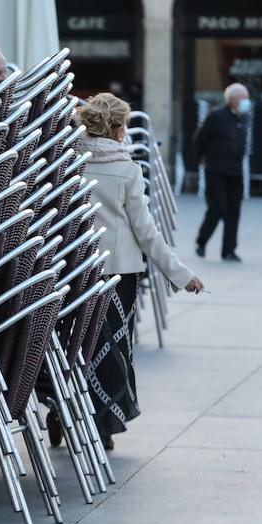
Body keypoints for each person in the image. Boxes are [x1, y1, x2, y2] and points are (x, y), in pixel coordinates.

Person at [70, 93, 204, 450]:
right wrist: (180, 274)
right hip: (118, 274)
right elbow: (146, 231)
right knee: (110, 350)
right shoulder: (127, 169)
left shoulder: (71, 161)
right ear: (116, 128)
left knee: (75, 345)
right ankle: (104, 423)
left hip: (75, 273)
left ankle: (63, 414)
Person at [193, 83, 250, 262]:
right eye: (243, 98)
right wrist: (201, 159)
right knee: (217, 207)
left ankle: (229, 250)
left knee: (234, 211)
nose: (246, 102)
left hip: (235, 170)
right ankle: (202, 241)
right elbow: (199, 139)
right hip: (216, 169)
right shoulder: (217, 116)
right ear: (233, 99)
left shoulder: (242, 117)